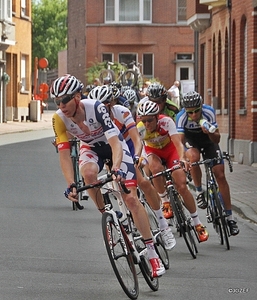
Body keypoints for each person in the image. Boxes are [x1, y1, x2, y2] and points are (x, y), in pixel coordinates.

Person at [50, 74, 166, 277]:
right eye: (56, 101)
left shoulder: (96, 107)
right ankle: (108, 216)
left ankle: (152, 253)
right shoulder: (58, 118)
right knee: (87, 173)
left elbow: (114, 142)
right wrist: (71, 184)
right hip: (91, 148)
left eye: (65, 99)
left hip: (114, 147)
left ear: (77, 96)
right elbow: (65, 155)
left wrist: (117, 168)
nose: (61, 105)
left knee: (130, 199)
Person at [88, 85, 176, 250]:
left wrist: (136, 156)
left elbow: (136, 139)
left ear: (112, 103)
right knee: (117, 189)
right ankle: (128, 224)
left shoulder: (122, 112)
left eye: (105, 104)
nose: (100, 109)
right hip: (107, 149)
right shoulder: (90, 117)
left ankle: (164, 227)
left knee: (142, 181)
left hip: (126, 145)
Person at [136, 100, 209, 243]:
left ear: (157, 117)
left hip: (170, 151)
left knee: (182, 185)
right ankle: (165, 201)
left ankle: (197, 223)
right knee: (155, 168)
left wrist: (182, 158)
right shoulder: (140, 128)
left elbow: (178, 143)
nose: (146, 124)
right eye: (143, 121)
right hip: (153, 152)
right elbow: (140, 147)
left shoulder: (167, 122)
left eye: (150, 120)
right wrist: (139, 159)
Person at [176, 91, 239, 236]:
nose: (194, 115)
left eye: (196, 111)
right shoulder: (181, 116)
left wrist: (209, 132)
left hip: (209, 142)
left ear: (201, 106)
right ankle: (199, 191)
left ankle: (230, 218)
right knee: (193, 156)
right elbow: (180, 141)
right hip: (191, 141)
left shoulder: (208, 111)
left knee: (220, 175)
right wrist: (183, 157)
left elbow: (216, 139)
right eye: (190, 112)